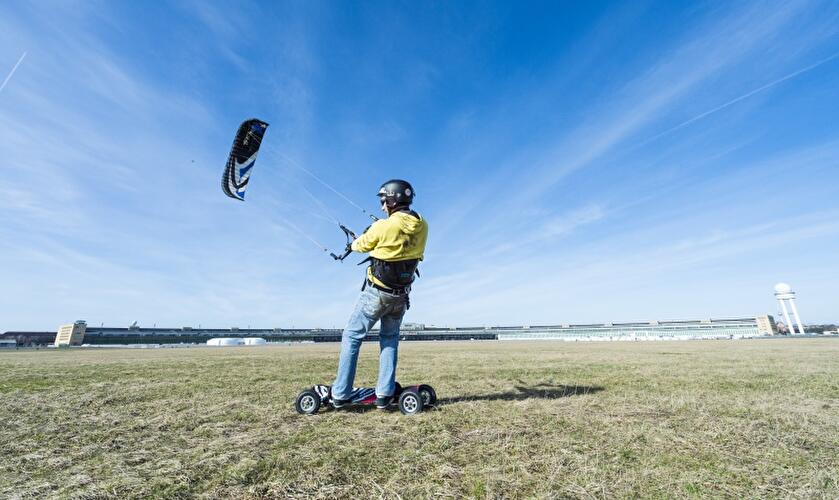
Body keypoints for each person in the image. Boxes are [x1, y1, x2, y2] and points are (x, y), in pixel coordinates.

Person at [331, 179, 429, 409]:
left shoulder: (383, 227)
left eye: (384, 201)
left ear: (393, 200)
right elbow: (397, 241)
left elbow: (360, 246)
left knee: (352, 336)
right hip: (400, 297)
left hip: (376, 294)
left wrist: (357, 240)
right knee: (389, 339)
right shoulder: (423, 225)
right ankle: (384, 393)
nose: (382, 206)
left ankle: (341, 392)